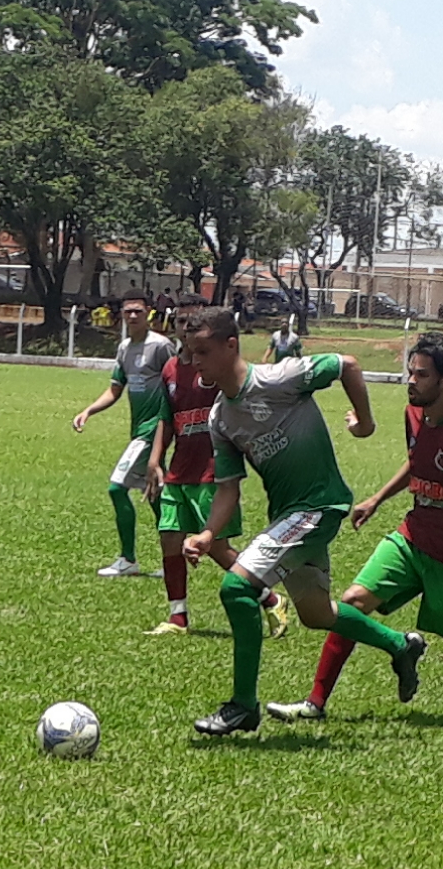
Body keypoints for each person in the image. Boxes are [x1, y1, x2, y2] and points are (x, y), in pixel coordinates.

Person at [180, 306, 426, 736]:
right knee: (316, 614)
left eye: (201, 352)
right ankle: (400, 646)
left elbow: (346, 365)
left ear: (230, 345)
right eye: (190, 353)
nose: (194, 362)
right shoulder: (220, 418)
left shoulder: (278, 378)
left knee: (237, 588)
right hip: (289, 516)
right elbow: (228, 489)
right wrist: (207, 533)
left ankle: (243, 705)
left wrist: (365, 423)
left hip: (318, 507)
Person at [267, 332, 443, 724]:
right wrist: (378, 499)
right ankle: (315, 704)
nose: (411, 381)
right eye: (410, 372)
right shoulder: (414, 414)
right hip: (412, 540)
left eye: (421, 375)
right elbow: (417, 460)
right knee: (351, 602)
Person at [144, 296, 290, 638]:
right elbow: (166, 417)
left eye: (191, 320)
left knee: (217, 548)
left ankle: (270, 598)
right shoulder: (170, 369)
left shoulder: (213, 367)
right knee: (169, 539)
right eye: (180, 321)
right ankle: (177, 616)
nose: (184, 327)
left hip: (212, 469)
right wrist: (155, 459)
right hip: (180, 469)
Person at [72, 294, 176, 576]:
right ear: (121, 315)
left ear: (148, 314)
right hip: (138, 430)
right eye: (128, 312)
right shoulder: (125, 349)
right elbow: (116, 389)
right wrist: (89, 411)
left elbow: (176, 385)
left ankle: (128, 559)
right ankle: (173, 561)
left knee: (117, 487)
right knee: (156, 495)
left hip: (151, 430)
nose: (133, 316)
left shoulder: (161, 346)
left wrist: (169, 427)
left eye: (138, 311)